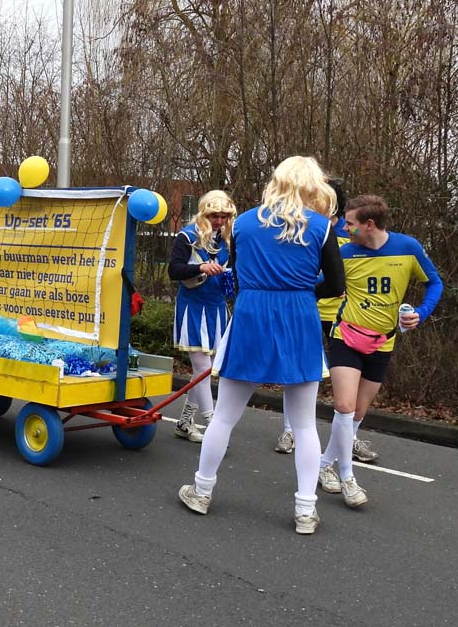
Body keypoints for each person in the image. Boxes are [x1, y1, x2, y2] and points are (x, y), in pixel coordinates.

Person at [178, 156, 345, 535]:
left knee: (224, 415)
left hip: (252, 313)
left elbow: (237, 275)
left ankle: (201, 491)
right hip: (299, 317)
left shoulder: (244, 223)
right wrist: (301, 291)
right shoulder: (321, 227)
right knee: (304, 423)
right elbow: (336, 284)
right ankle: (305, 510)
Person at [317, 194, 443, 506]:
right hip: (345, 336)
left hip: (382, 341)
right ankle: (348, 478)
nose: (344, 228)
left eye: (350, 223)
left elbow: (435, 283)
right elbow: (315, 285)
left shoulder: (408, 247)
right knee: (344, 406)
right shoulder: (344, 253)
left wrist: (421, 313)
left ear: (369, 224)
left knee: (357, 413)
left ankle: (323, 464)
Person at [274, 179, 380, 461]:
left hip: (343, 316)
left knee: (348, 383)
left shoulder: (349, 231)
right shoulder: (301, 228)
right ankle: (289, 431)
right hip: (307, 310)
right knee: (296, 371)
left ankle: (348, 438)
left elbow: (365, 265)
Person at [168, 190, 237, 442]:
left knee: (204, 372)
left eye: (223, 216)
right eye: (214, 215)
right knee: (203, 368)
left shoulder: (228, 240)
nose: (219, 220)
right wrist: (200, 267)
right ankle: (213, 426)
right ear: (204, 213)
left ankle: (185, 422)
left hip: (216, 308)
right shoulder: (187, 236)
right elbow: (174, 270)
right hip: (193, 307)